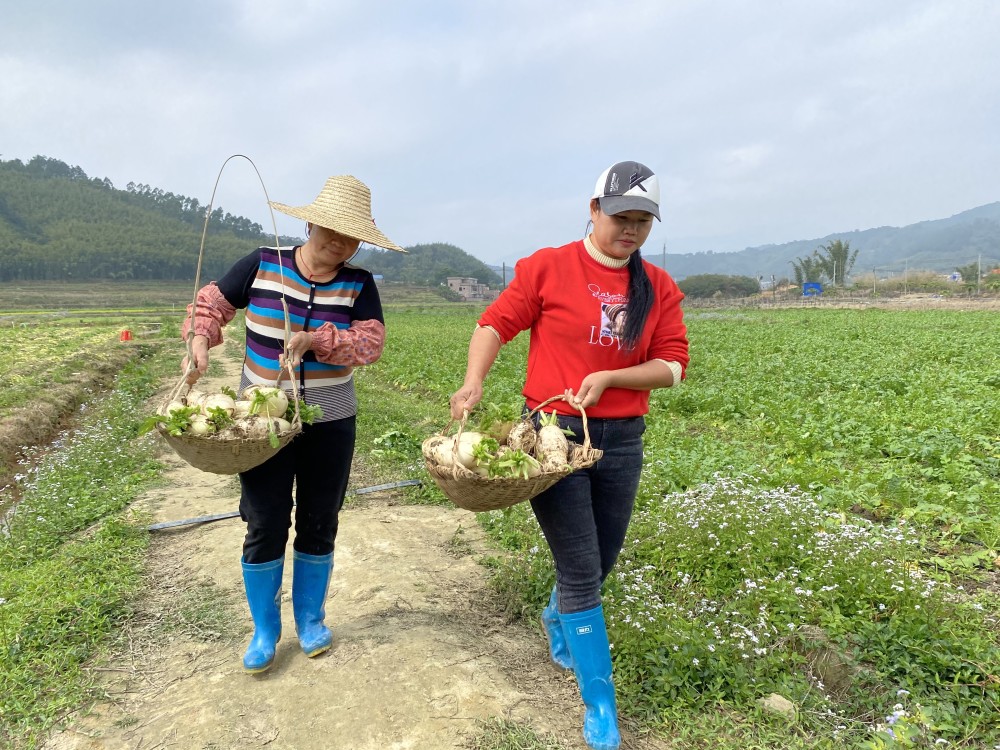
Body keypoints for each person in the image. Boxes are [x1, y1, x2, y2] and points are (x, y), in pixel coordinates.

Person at [450, 161, 688, 750]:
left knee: (603, 557)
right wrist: (474, 380)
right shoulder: (548, 268)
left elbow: (673, 364)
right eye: (620, 217)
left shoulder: (657, 286)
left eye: (642, 221)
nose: (630, 230)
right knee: (583, 570)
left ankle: (559, 615)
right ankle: (600, 706)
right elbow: (494, 323)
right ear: (593, 209)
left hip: (622, 438)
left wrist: (612, 376)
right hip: (553, 436)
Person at [181, 175, 404, 673]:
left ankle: (310, 619)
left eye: (351, 236)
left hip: (330, 420)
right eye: (331, 231)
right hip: (262, 423)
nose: (340, 244)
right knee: (264, 520)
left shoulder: (359, 283)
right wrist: (201, 337)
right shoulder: (263, 263)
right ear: (310, 223)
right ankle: (265, 628)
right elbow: (211, 303)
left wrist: (317, 340)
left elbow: (369, 343)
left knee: (320, 518)